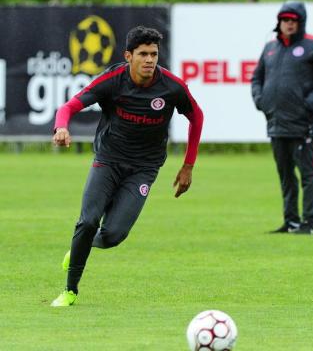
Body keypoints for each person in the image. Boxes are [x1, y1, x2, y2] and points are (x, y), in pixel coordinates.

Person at [51, 26, 203, 306]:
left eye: (154, 54)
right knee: (87, 221)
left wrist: (188, 165)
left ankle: (80, 247)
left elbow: (197, 116)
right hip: (107, 161)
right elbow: (68, 107)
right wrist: (61, 127)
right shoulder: (113, 80)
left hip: (144, 168)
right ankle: (70, 290)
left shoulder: (171, 87)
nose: (149, 60)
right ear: (128, 56)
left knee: (113, 235)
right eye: (143, 54)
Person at [251, 1, 313, 235]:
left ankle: (309, 222)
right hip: (276, 123)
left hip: (304, 125)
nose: (288, 24)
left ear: (301, 22)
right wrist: (261, 101)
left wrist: (308, 104)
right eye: (285, 20)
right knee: (286, 176)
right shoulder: (270, 47)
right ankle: (291, 221)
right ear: (279, 21)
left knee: (309, 175)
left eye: (293, 20)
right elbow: (256, 77)